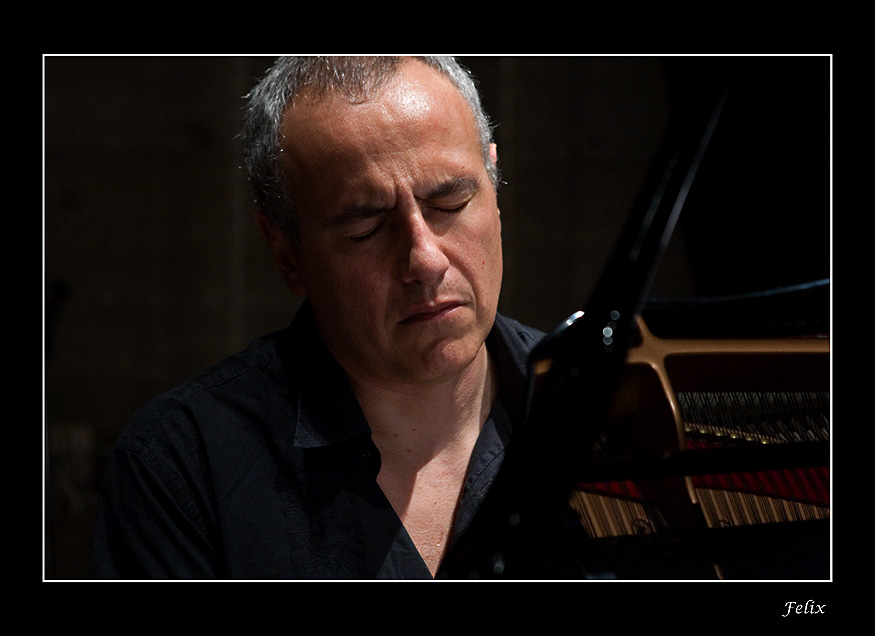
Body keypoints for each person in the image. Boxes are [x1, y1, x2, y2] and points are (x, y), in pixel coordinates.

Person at [88, 56, 544, 579]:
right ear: (287, 254)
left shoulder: (606, 405)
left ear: (494, 187)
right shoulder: (185, 466)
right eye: (365, 230)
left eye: (450, 203)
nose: (425, 260)